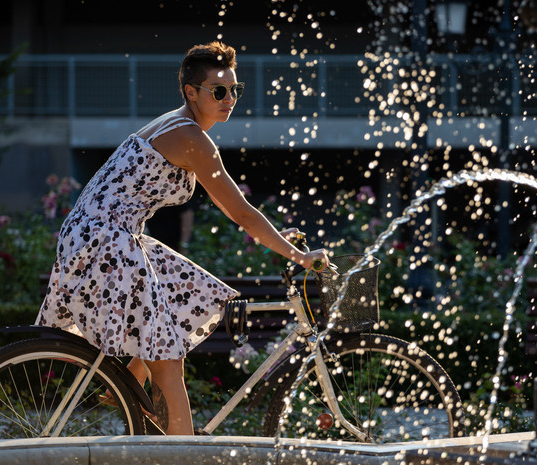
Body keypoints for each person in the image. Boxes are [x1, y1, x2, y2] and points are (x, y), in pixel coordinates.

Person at [36, 41, 329, 435]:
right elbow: (239, 211)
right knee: (168, 358)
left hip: (103, 234)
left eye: (235, 90)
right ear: (191, 92)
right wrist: (297, 255)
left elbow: (237, 210)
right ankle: (182, 450)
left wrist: (281, 239)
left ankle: (127, 383)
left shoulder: (175, 123)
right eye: (219, 91)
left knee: (189, 293)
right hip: (105, 240)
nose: (229, 100)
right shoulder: (191, 137)